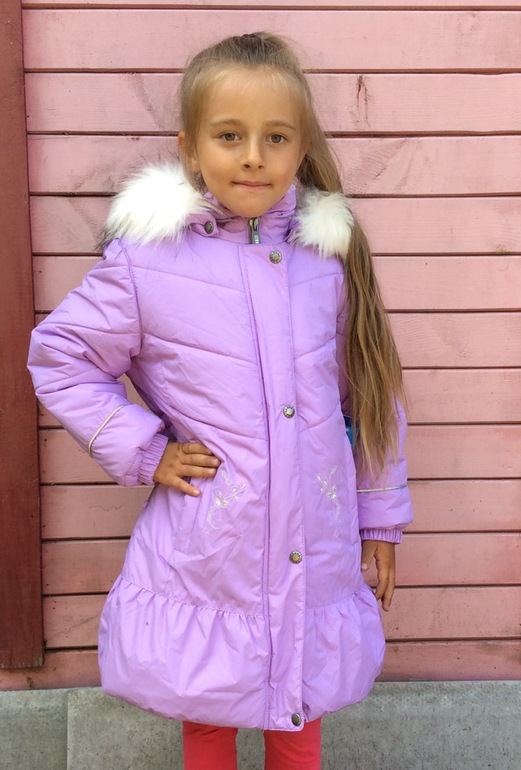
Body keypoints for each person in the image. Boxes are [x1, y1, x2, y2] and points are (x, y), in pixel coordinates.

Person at [28, 32, 413, 770]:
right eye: (230, 136)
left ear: (302, 148)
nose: (253, 157)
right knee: (207, 709)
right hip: (211, 553)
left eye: (276, 138)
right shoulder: (148, 261)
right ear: (190, 148)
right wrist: (147, 450)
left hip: (315, 543)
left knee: (299, 714)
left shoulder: (326, 259)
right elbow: (62, 357)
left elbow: (370, 392)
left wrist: (380, 515)